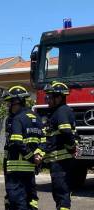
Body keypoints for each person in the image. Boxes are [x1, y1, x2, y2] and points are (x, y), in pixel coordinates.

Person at [1, 86, 45, 210]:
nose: (8, 106)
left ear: (16, 102)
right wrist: (38, 157)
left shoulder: (17, 119)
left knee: (17, 201)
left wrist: (32, 158)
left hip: (16, 168)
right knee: (30, 199)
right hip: (30, 169)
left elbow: (16, 142)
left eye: (9, 102)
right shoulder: (36, 118)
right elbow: (44, 140)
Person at [39, 81, 77, 210]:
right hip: (56, 160)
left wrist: (72, 148)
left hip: (61, 161)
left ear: (59, 97)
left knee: (61, 191)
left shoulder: (62, 111)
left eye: (50, 97)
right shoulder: (56, 111)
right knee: (58, 191)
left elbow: (66, 131)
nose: (47, 100)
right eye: (46, 97)